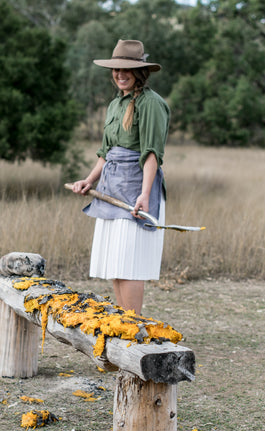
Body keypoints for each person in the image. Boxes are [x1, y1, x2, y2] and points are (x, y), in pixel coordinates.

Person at [72, 39, 170, 314]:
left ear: (140, 72)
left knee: (130, 264)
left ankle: (133, 330)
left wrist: (144, 194)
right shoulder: (116, 104)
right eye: (116, 69)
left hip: (136, 191)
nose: (120, 74)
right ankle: (123, 328)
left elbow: (152, 154)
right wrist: (89, 180)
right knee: (116, 264)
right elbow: (106, 153)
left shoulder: (150, 103)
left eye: (126, 69)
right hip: (111, 188)